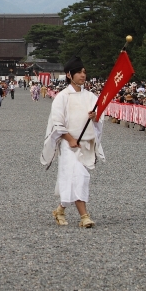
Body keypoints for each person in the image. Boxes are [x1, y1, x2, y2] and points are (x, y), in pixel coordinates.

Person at [40, 56, 104, 228]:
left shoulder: (91, 96)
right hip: (69, 144)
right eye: (79, 72)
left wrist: (95, 117)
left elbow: (99, 120)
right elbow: (57, 122)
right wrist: (69, 139)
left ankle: (60, 209)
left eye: (84, 72)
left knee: (77, 178)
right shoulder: (62, 97)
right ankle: (84, 216)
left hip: (86, 143)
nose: (83, 75)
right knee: (78, 176)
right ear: (69, 75)